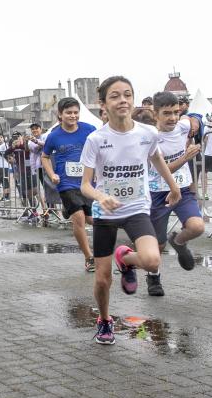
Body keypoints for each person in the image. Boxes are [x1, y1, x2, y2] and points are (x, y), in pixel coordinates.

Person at [80, 76, 181, 345]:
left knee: (152, 261)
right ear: (103, 104)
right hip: (106, 214)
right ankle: (104, 320)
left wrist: (173, 186)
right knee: (102, 281)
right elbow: (85, 185)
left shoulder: (147, 133)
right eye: (115, 96)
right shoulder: (96, 139)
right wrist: (101, 196)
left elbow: (156, 158)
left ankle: (125, 259)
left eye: (127, 94)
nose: (122, 100)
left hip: (137, 208)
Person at [147, 91, 204, 296]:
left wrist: (194, 119)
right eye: (166, 113)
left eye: (175, 112)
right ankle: (154, 278)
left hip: (183, 190)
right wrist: (186, 157)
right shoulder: (151, 138)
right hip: (159, 193)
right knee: (157, 243)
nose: (172, 118)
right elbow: (163, 169)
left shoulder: (182, 125)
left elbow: (195, 118)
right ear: (156, 115)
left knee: (197, 227)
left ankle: (178, 242)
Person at [42, 97, 97, 272]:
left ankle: (103, 250)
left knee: (92, 219)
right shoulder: (54, 136)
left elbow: (101, 149)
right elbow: (44, 156)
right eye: (69, 113)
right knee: (80, 218)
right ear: (60, 114)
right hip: (66, 183)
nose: (73, 116)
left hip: (87, 183)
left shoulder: (89, 130)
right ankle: (89, 257)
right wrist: (52, 174)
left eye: (75, 112)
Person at [27, 123, 48, 217]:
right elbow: (35, 149)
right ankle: (44, 210)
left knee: (49, 188)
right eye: (33, 129)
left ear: (41, 129)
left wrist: (37, 142)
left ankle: (53, 209)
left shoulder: (45, 136)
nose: (35, 130)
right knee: (40, 189)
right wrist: (39, 143)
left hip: (47, 166)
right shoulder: (30, 141)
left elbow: (47, 145)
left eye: (36, 128)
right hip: (37, 167)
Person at [0, 134, 11, 200]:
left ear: (4, 138)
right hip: (0, 166)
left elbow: (7, 153)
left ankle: (7, 196)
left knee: (5, 180)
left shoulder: (5, 145)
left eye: (1, 137)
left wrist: (1, 153)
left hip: (5, 165)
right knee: (1, 180)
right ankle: (4, 195)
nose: (0, 138)